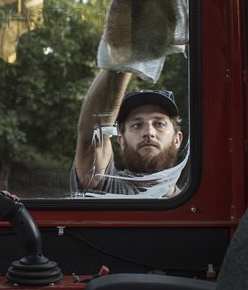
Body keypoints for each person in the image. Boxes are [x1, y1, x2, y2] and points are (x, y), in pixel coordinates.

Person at [71, 70, 185, 198]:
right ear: (122, 141)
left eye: (159, 124)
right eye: (137, 125)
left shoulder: (194, 205)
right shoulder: (108, 188)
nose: (148, 132)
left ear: (177, 139)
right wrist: (123, 61)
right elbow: (92, 137)